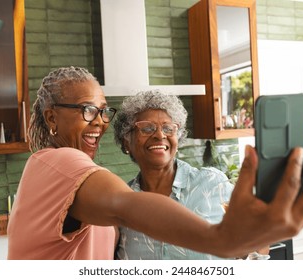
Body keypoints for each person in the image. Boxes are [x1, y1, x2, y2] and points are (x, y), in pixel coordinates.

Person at [7, 66, 303, 260]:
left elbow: (251, 251)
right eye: (89, 110)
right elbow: (124, 204)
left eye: (104, 111)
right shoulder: (60, 162)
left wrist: (250, 244)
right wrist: (221, 240)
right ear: (127, 141)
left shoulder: (211, 182)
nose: (100, 122)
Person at [113, 90, 266, 260]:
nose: (159, 135)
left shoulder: (213, 184)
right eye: (147, 128)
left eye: (168, 128)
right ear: (127, 139)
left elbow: (257, 242)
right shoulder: (122, 203)